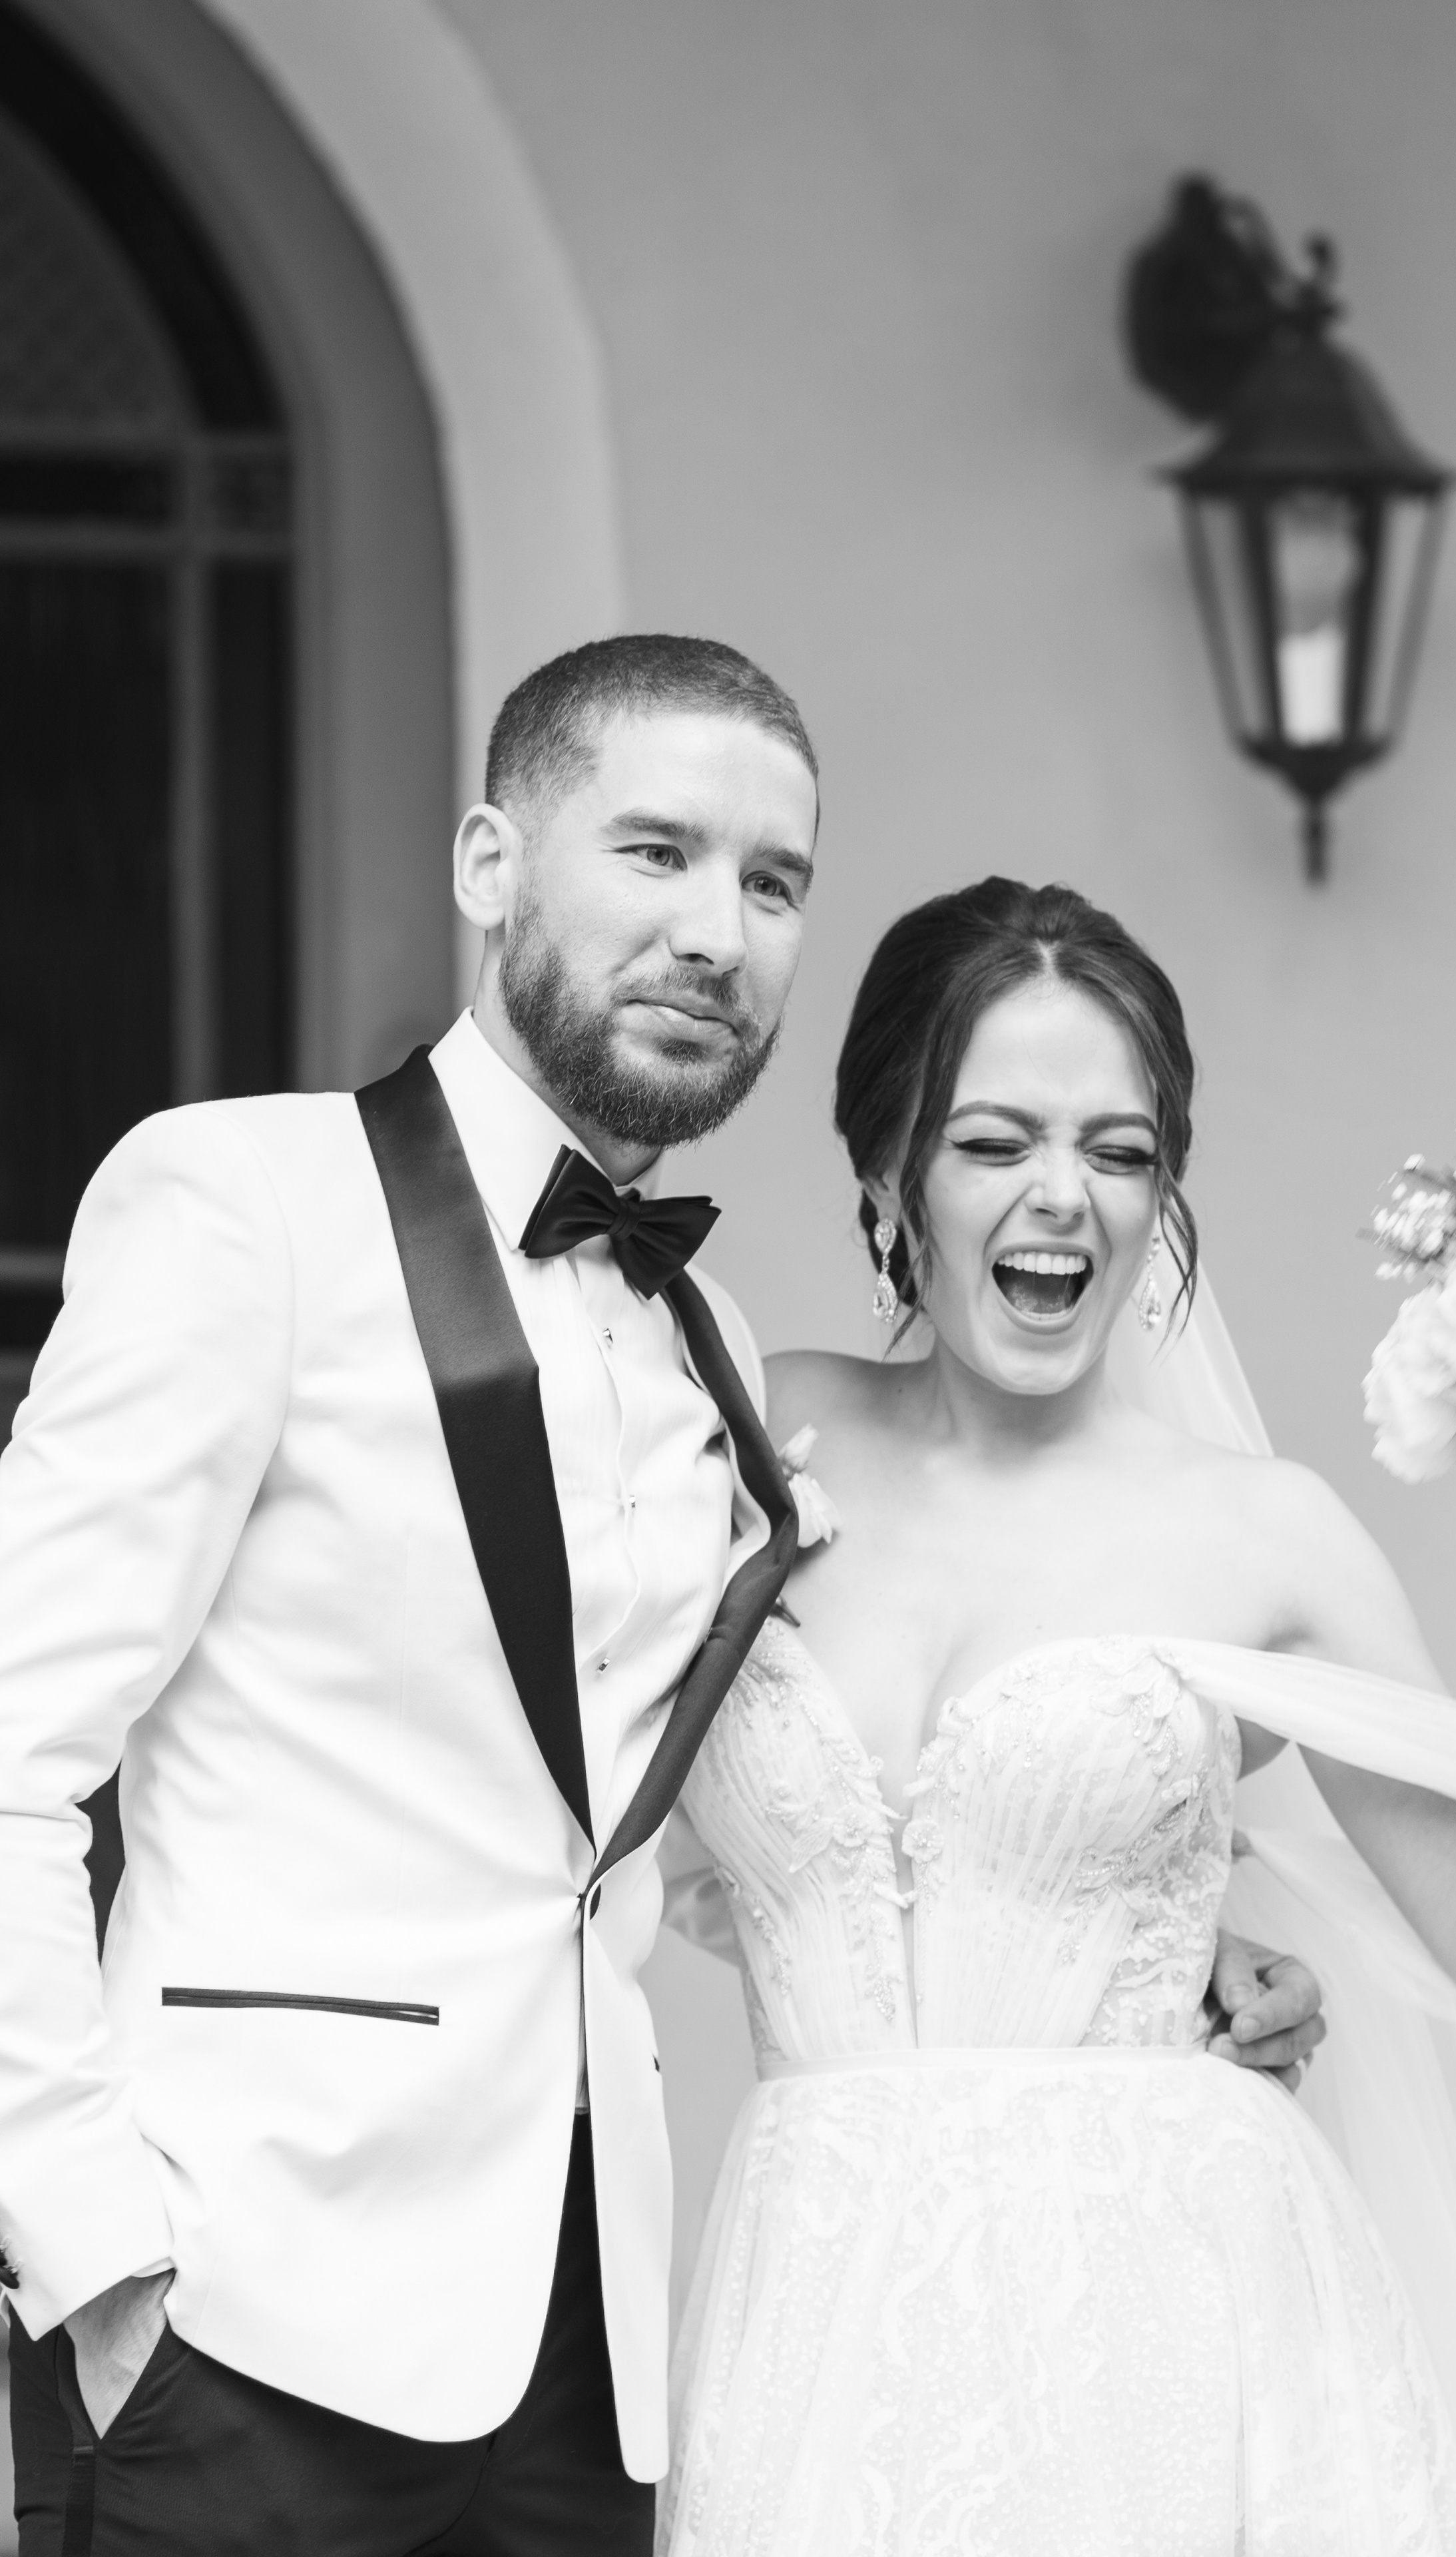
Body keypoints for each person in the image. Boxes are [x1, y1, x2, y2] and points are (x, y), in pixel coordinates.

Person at [0, 645, 1316, 2557]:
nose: (719, 931)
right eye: (657, 853)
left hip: (590, 2379)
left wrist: (1146, 1951)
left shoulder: (708, 1349)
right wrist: (88, 2246)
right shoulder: (239, 1201)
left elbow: (707, 1831)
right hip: (241, 2323)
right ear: (488, 864)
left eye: (773, 884)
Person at [658, 876, 1456, 2557]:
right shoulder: (736, 1447)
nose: (1061, 1196)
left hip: (1165, 2330)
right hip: (812, 2325)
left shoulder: (1263, 1533)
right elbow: (688, 1845)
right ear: (887, 1176)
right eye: (993, 1142)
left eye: (1119, 1150)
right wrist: (1192, 1917)